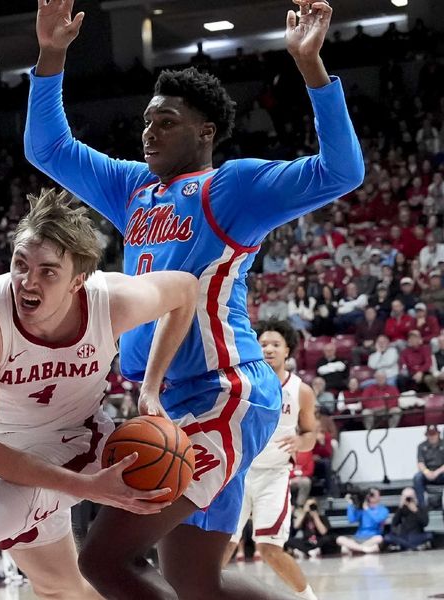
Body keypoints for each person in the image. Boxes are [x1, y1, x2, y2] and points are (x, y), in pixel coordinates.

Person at [24, 0, 363, 597]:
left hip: (224, 395)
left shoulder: (232, 187)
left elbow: (341, 172)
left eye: (168, 122)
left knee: (103, 561)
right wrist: (52, 57)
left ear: (205, 132)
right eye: (148, 122)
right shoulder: (134, 187)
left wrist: (311, 66)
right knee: (197, 583)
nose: (150, 132)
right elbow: (47, 150)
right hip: (171, 402)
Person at [0, 188, 199, 600]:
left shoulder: (110, 302)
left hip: (81, 441)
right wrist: (86, 489)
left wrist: (150, 390)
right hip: (10, 460)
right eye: (20, 264)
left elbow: (185, 290)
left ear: (78, 281)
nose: (28, 281)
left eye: (48, 272)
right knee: (58, 588)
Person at [225, 319, 319, 600]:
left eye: (275, 344)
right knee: (221, 545)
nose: (268, 349)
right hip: (240, 473)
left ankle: (309, 598)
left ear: (287, 350)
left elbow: (311, 433)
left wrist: (300, 442)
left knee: (269, 548)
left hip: (275, 475)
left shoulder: (301, 389)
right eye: (263, 344)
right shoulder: (244, 382)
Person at [335, 487, 389, 554]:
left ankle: (355, 549)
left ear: (379, 497)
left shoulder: (383, 510)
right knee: (339, 539)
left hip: (372, 537)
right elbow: (351, 520)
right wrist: (350, 504)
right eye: (370, 494)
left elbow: (378, 520)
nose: (371, 496)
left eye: (373, 494)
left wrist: (367, 509)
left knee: (379, 538)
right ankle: (363, 549)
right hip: (358, 537)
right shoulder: (361, 509)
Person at [383, 487, 433, 551]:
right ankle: (414, 547)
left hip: (416, 535)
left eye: (410, 497)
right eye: (406, 497)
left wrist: (416, 510)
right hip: (403, 536)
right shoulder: (401, 509)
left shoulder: (420, 508)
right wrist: (400, 507)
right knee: (387, 537)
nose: (408, 499)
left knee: (430, 535)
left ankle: (404, 546)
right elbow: (393, 524)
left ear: (414, 496)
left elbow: (425, 523)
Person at [414, 424, 444, 509]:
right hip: (428, 472)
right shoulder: (421, 446)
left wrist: (436, 472)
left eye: (434, 434)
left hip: (441, 472)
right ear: (427, 435)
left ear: (438, 434)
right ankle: (422, 506)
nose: (432, 437)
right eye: (430, 435)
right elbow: (420, 463)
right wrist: (427, 472)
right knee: (417, 478)